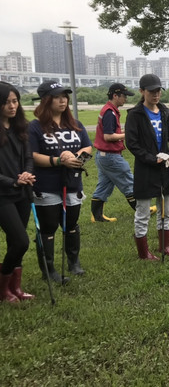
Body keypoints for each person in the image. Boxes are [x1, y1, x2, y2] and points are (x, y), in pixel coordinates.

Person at [29, 81, 92, 282]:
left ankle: (74, 263)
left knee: (71, 224)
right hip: (46, 185)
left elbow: (87, 147)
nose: (63, 100)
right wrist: (58, 160)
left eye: (65, 96)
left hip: (72, 183)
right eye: (57, 96)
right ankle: (48, 270)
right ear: (46, 100)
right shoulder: (35, 127)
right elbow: (31, 155)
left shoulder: (76, 125)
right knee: (48, 227)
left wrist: (76, 157)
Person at [125, 74, 169, 260]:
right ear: (142, 92)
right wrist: (150, 158)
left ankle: (164, 247)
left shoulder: (165, 112)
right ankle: (143, 253)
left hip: (165, 168)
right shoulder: (135, 114)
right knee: (143, 213)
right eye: (151, 91)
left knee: (165, 211)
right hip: (146, 169)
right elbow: (131, 143)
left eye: (158, 91)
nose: (156, 95)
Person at [91, 83, 157, 222]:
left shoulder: (109, 110)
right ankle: (143, 210)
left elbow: (111, 133)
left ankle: (96, 216)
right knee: (129, 182)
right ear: (115, 96)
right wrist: (128, 135)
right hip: (111, 157)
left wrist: (122, 133)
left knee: (104, 186)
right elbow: (108, 136)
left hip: (103, 156)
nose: (126, 99)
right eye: (124, 96)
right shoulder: (109, 112)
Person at [0, 82, 36, 302]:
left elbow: (29, 157)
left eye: (15, 101)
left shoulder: (20, 127)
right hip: (3, 194)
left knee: (15, 242)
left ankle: (16, 287)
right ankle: (3, 288)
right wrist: (13, 181)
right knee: (21, 241)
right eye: (6, 102)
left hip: (22, 191)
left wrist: (27, 174)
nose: (12, 106)